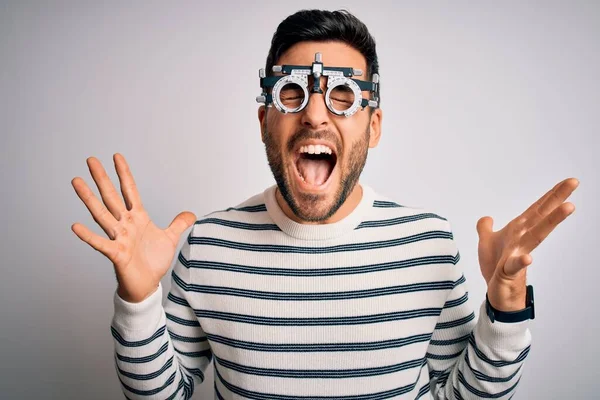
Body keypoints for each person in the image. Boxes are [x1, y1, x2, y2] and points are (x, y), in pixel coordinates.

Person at [71, 9, 579, 400]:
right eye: (292, 92)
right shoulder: (207, 247)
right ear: (265, 120)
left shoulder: (429, 245)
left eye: (342, 97)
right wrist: (137, 301)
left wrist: (506, 304)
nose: (314, 113)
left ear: (373, 126)